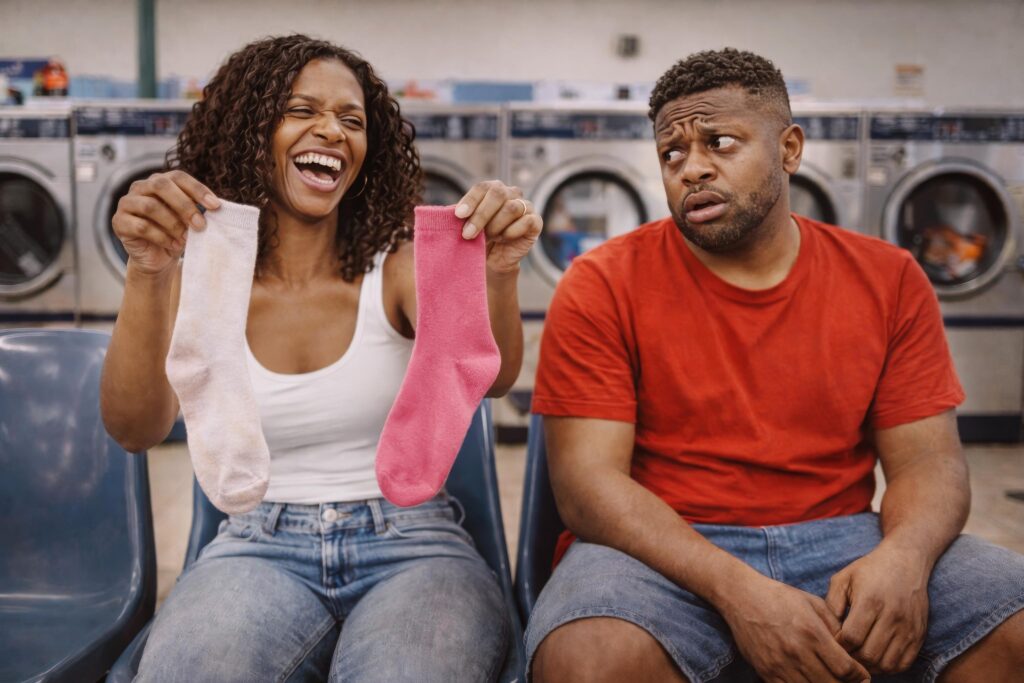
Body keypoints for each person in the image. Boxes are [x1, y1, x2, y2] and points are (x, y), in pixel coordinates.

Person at [527, 48, 1024, 683]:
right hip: (662, 550)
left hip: (845, 538)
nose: (691, 168)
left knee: (1012, 621)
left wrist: (905, 556)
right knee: (588, 659)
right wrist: (738, 590)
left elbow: (929, 462)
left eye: (719, 142)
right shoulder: (602, 282)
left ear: (789, 149)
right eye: (671, 153)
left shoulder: (888, 277)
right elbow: (587, 486)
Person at [100, 34, 541, 682]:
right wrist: (147, 271)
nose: (332, 131)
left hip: (414, 544)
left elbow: (491, 375)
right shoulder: (199, 281)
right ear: (246, 130)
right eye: (301, 110)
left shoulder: (399, 267)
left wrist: (498, 272)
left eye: (351, 120)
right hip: (256, 545)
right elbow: (134, 429)